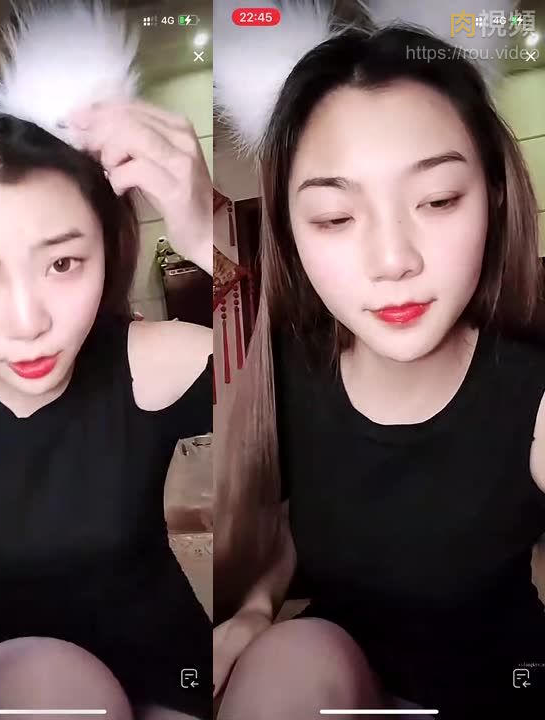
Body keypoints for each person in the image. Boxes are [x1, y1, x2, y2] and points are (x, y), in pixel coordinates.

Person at [0, 4, 214, 719]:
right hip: (9, 679)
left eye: (62, 264)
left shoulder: (146, 365)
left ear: (108, 249)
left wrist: (207, 234)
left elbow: (329, 389)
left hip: (171, 666)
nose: (28, 322)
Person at [212, 5, 545, 716]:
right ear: (290, 233)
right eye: (336, 217)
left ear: (493, 196)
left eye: (438, 200)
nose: (392, 260)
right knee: (287, 659)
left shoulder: (532, 394)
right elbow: (290, 531)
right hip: (330, 678)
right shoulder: (289, 375)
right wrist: (257, 608)